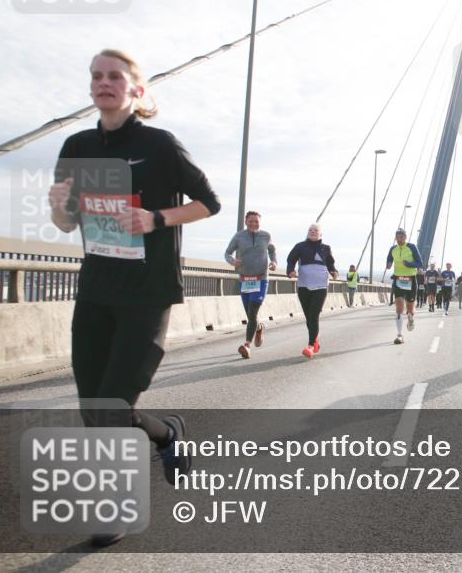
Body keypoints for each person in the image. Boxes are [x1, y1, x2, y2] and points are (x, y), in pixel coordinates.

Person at [49, 49, 221, 547]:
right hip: (97, 290)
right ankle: (166, 433)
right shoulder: (76, 145)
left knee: (112, 403)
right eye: (97, 76)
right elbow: (67, 221)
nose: (104, 83)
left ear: (136, 90)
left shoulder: (160, 145)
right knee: (93, 408)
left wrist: (156, 219)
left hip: (147, 293)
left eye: (115, 76)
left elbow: (208, 202)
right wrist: (60, 209)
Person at [224, 211, 277, 359]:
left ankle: (247, 345)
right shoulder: (239, 236)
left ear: (260, 222)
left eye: (256, 221)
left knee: (253, 310)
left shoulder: (266, 236)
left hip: (261, 278)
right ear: (246, 222)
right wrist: (232, 261)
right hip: (245, 280)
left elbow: (272, 250)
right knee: (250, 315)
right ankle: (259, 327)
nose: (254, 224)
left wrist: (274, 261)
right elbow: (227, 253)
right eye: (251, 221)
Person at [286, 224, 338, 358]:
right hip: (304, 285)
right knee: (309, 317)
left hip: (321, 286)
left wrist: (334, 271)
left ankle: (310, 346)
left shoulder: (325, 248)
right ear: (307, 233)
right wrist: (290, 271)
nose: (313, 232)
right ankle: (315, 340)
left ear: (321, 234)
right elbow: (291, 260)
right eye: (310, 230)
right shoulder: (300, 246)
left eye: (316, 230)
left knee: (314, 315)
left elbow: (330, 263)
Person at [385, 228, 423, 344]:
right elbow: (389, 260)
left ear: (405, 237)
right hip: (398, 280)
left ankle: (410, 318)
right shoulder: (393, 249)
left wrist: (409, 264)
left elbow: (420, 263)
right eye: (397, 237)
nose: (399, 239)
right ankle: (399, 335)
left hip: (411, 280)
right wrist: (388, 264)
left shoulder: (411, 247)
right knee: (399, 308)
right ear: (395, 238)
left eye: (401, 237)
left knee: (410, 308)